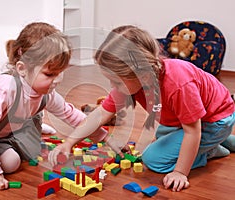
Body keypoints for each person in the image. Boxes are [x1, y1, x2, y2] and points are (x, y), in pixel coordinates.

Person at [49, 25, 235, 192]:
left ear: (142, 74)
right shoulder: (132, 81)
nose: (113, 86)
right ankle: (222, 141)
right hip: (187, 122)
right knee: (161, 136)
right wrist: (68, 143)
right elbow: (100, 115)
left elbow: (193, 131)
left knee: (153, 159)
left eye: (116, 81)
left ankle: (211, 149)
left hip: (214, 120)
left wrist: (180, 172)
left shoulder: (179, 83)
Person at [0, 22, 107, 191]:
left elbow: (71, 115)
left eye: (60, 72)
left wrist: (103, 136)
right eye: (49, 74)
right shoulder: (4, 89)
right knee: (11, 162)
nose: (57, 80)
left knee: (33, 151)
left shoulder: (46, 92)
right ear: (22, 68)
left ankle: (29, 128)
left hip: (5, 128)